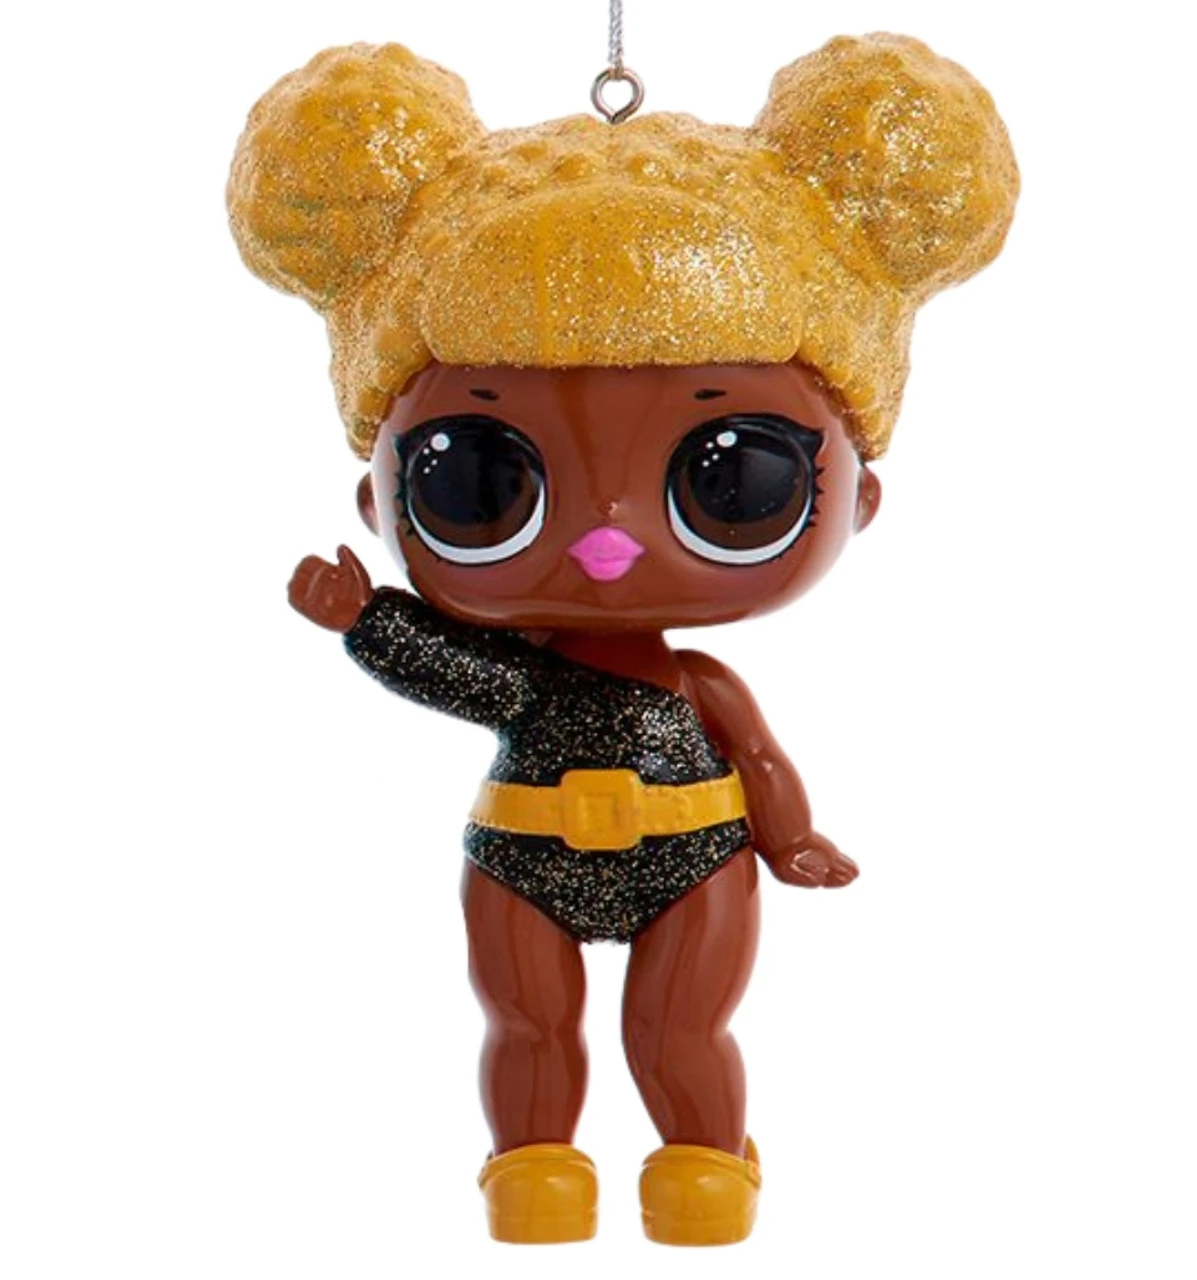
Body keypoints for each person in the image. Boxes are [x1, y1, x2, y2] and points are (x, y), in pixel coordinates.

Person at [227, 34, 1017, 1245]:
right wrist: (365, 618)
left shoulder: (696, 683)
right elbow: (454, 669)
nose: (605, 539)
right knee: (526, 1024)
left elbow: (756, 757)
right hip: (523, 854)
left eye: (730, 479)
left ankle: (702, 1168)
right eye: (480, 478)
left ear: (856, 495)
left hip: (692, 852)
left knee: (679, 1027)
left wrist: (790, 838)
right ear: (378, 500)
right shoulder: (524, 679)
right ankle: (533, 1171)